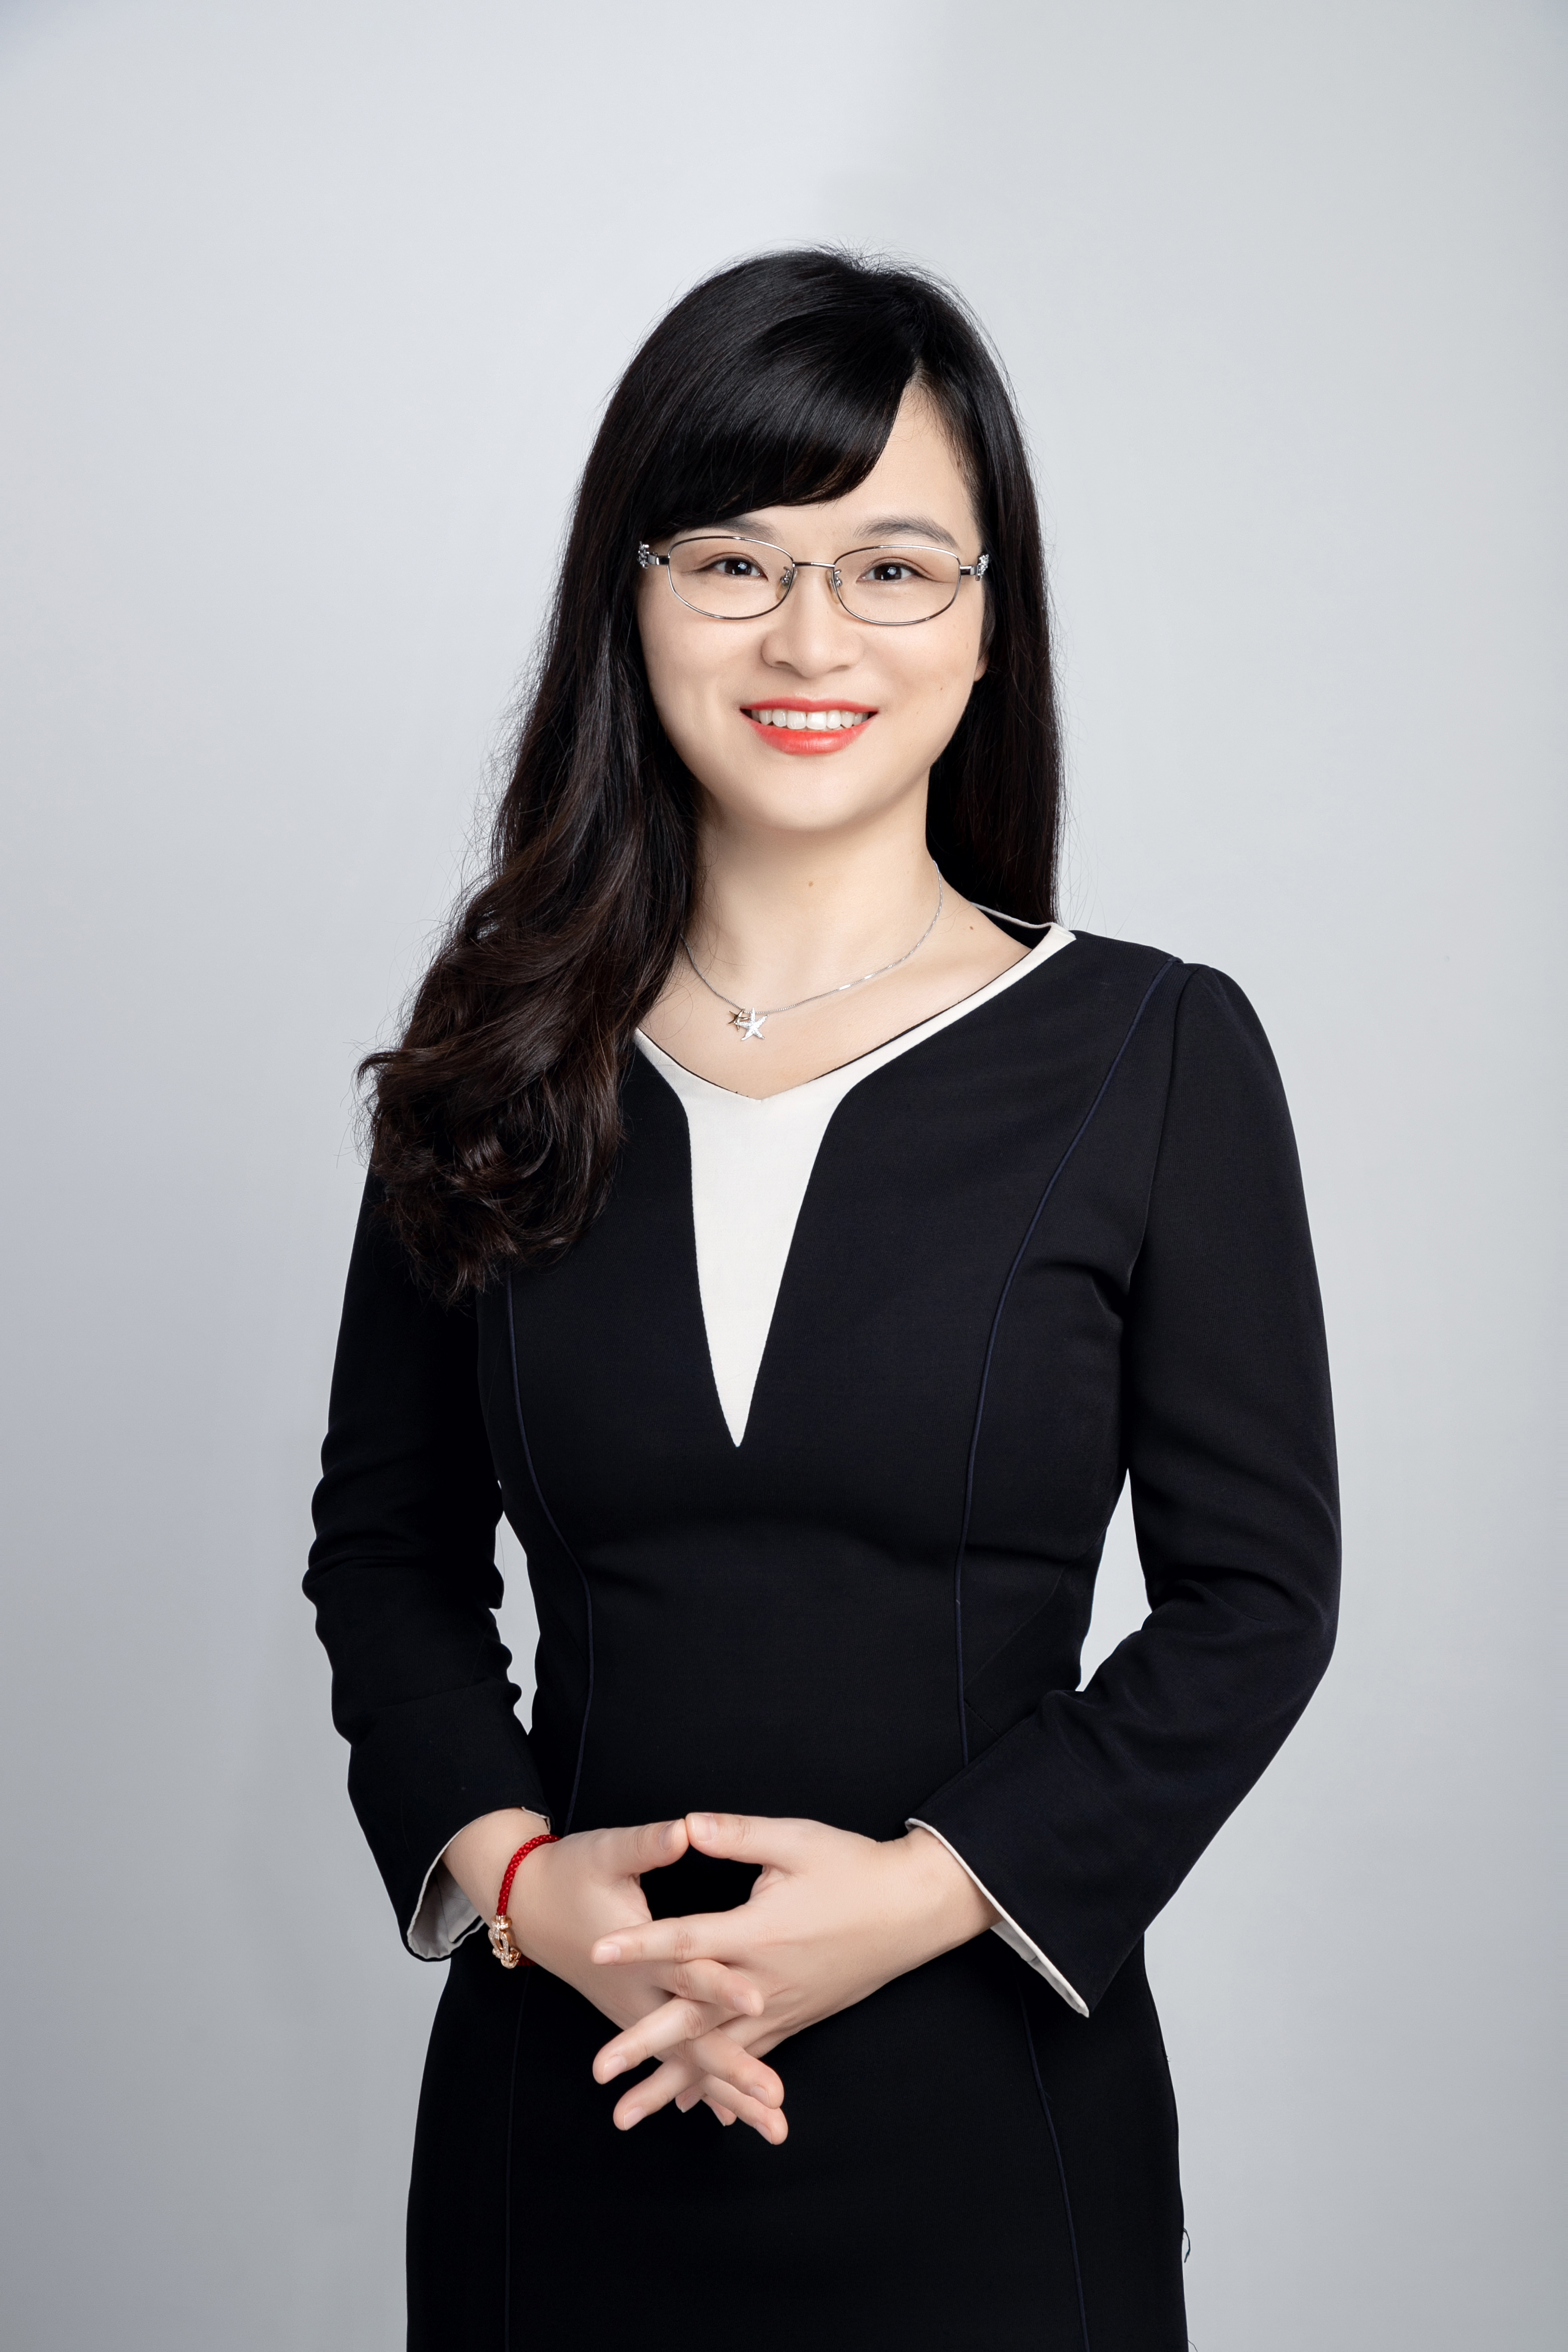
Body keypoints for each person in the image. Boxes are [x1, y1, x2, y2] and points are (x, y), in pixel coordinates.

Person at [306, 248, 1339, 2349]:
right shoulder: (503, 1047)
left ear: (988, 621)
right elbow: (386, 1551)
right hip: (559, 2106)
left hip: (991, 2124)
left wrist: (921, 1898)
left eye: (891, 568)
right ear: (631, 600)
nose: (808, 637)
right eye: (734, 562)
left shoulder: (1153, 1054)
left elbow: (1255, 1603)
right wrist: (524, 1886)